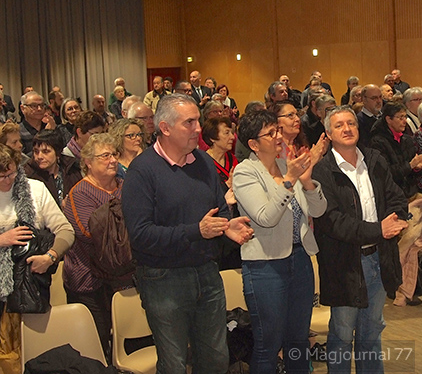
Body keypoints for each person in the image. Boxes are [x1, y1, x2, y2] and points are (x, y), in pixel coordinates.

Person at [122, 94, 254, 374]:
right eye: (189, 122)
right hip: (163, 279)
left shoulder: (203, 162)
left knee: (216, 359)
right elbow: (141, 235)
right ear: (165, 128)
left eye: (198, 121)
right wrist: (196, 231)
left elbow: (218, 209)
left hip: (207, 272)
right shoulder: (142, 171)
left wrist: (226, 226)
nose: (198, 129)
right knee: (174, 363)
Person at [312, 106, 408, 374]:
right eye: (339, 125)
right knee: (342, 333)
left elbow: (396, 197)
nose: (347, 129)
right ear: (328, 134)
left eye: (351, 123)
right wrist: (379, 229)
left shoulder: (374, 160)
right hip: (345, 263)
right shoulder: (322, 171)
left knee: (372, 330)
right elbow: (333, 222)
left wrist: (398, 219)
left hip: (379, 257)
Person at [233, 110, 327, 373]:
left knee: (299, 339)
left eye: (277, 130)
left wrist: (307, 183)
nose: (278, 136)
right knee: (269, 343)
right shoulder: (245, 172)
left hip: (300, 259)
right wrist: (289, 181)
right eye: (270, 133)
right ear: (253, 144)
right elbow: (266, 217)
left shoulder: (288, 166)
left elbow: (318, 211)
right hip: (265, 265)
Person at [62, 133, 122, 359]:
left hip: (124, 277)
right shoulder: (80, 193)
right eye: (105, 156)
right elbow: (91, 233)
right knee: (97, 345)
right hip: (89, 280)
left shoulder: (124, 186)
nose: (113, 160)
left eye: (114, 154)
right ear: (88, 162)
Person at [0, 143, 75, 316]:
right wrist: (2, 239)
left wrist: (50, 257)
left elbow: (66, 230)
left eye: (12, 173)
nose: (8, 180)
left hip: (31, 286)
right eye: (2, 176)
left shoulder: (36, 189)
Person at [369, 102, 422, 199]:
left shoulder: (406, 139)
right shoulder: (377, 142)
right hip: (393, 196)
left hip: (410, 191)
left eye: (405, 117)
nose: (405, 121)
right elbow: (385, 174)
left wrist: (416, 168)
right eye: (401, 117)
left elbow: (412, 172)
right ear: (389, 119)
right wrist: (410, 165)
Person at [24, 129, 82, 207]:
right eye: (36, 151)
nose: (39, 156)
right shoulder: (28, 174)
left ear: (57, 153)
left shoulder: (72, 168)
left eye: (45, 152)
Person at [202, 116, 239, 188]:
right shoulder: (204, 163)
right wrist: (227, 184)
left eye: (232, 133)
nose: (232, 137)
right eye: (227, 133)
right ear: (212, 138)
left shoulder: (232, 159)